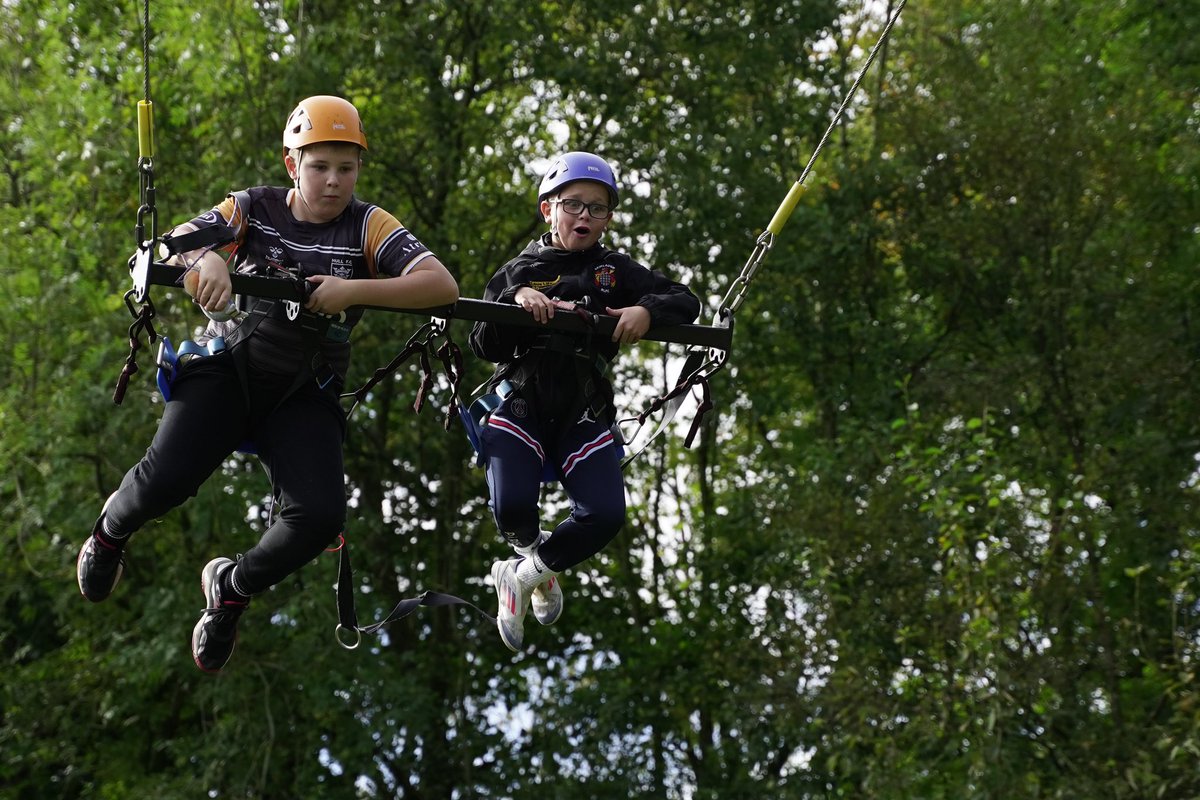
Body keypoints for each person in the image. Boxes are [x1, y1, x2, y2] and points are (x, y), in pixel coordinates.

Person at [76, 95, 459, 673]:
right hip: (229, 367)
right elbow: (168, 245)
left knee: (321, 516)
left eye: (346, 168)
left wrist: (353, 289)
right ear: (291, 165)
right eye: (319, 166)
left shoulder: (369, 224)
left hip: (303, 391)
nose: (334, 182)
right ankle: (111, 530)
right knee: (168, 480)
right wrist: (205, 261)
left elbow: (441, 286)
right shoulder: (253, 207)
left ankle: (230, 590)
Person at [469, 151, 700, 651]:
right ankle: (538, 571)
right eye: (573, 205)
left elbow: (686, 300)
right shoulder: (520, 269)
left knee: (605, 515)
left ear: (609, 219)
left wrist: (645, 309)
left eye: (598, 209)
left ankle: (525, 575)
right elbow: (482, 343)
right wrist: (517, 304)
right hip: (521, 407)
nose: (585, 217)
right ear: (547, 209)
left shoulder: (615, 271)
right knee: (512, 508)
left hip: (583, 413)